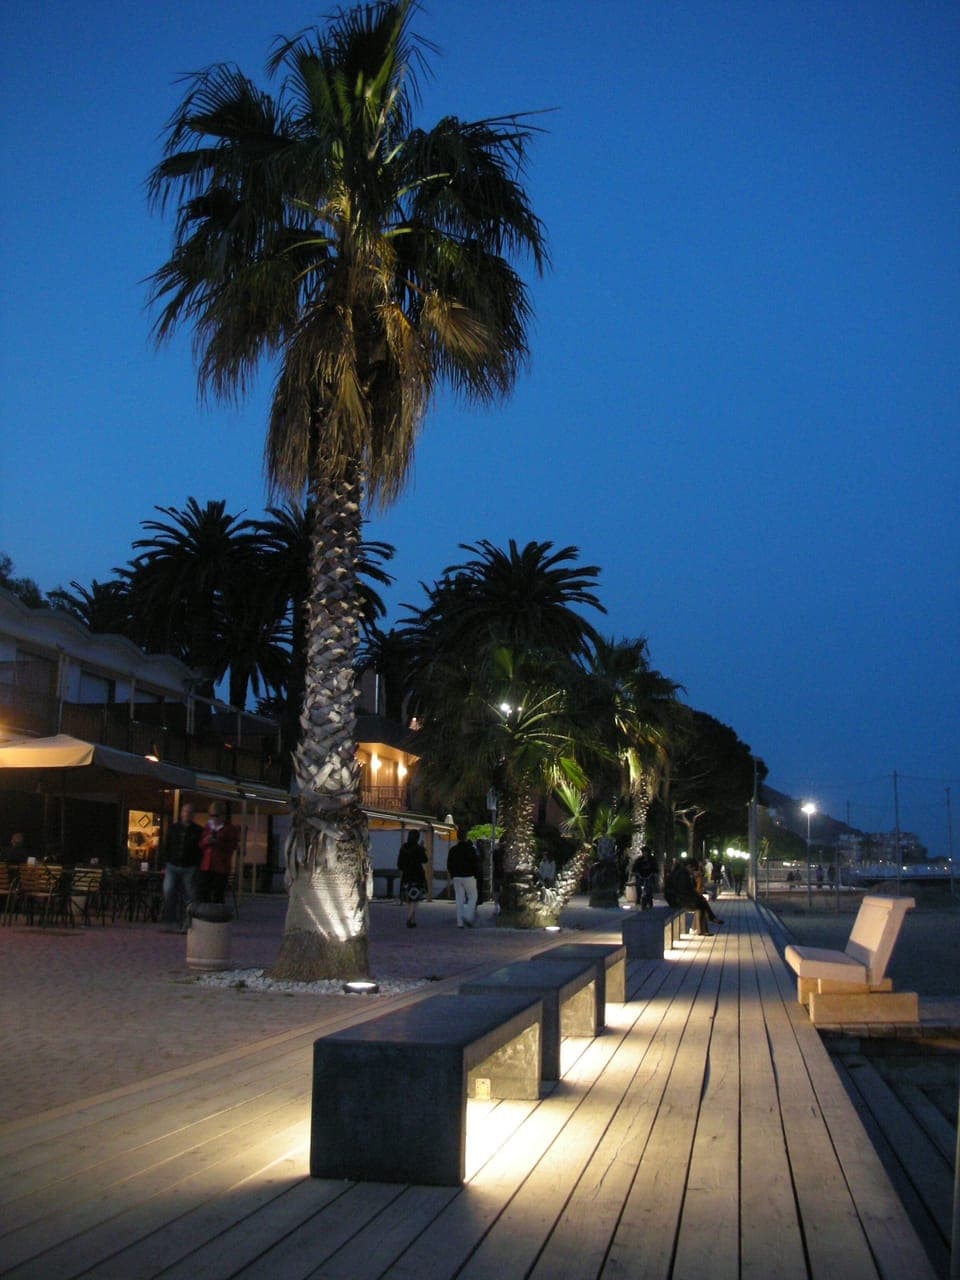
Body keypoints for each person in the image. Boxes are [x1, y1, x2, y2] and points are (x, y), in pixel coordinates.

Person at [160, 802, 202, 930]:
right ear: (181, 813)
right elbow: (166, 845)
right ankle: (170, 921)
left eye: (189, 812)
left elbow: (200, 850)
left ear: (193, 815)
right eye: (185, 812)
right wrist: (165, 863)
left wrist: (197, 865)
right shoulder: (174, 828)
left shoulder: (198, 830)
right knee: (168, 891)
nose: (187, 814)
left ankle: (187, 922)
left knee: (189, 895)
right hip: (172, 865)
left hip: (189, 866)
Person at [664, 859, 723, 937]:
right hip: (676, 899)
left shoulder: (682, 871)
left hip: (676, 897)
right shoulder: (682, 874)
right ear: (689, 867)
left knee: (701, 903)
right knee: (701, 903)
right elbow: (685, 890)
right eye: (693, 869)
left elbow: (689, 889)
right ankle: (710, 920)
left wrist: (695, 893)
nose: (693, 871)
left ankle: (704, 927)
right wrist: (695, 894)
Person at [197, 801, 239, 905]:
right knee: (203, 893)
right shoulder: (207, 827)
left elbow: (233, 846)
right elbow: (200, 845)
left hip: (221, 866)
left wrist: (219, 843)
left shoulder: (230, 828)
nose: (213, 818)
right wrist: (206, 841)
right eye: (211, 815)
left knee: (218, 894)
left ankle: (216, 916)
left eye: (216, 816)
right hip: (206, 865)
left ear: (222, 815)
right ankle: (204, 916)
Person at [447, 828, 480, 927]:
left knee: (459, 898)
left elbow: (449, 864)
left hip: (456, 876)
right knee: (473, 896)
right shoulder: (471, 849)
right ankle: (468, 915)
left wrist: (453, 874)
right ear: (466, 837)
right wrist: (475, 874)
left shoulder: (453, 850)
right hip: (469, 876)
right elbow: (475, 863)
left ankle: (459, 922)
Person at [397, 830, 428, 928]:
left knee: (410, 899)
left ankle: (413, 920)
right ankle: (409, 918)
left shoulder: (403, 848)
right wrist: (423, 849)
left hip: (406, 876)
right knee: (415, 898)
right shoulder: (419, 848)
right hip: (417, 876)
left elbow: (399, 864)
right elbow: (425, 860)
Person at [631, 845, 657, 910]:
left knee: (649, 887)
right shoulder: (639, 860)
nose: (645, 853)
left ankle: (649, 900)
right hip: (641, 877)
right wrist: (634, 872)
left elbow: (655, 868)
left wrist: (654, 873)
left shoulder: (652, 860)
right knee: (638, 886)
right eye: (643, 852)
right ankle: (638, 899)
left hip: (649, 876)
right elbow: (634, 868)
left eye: (646, 852)